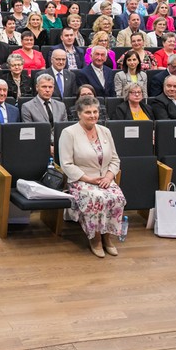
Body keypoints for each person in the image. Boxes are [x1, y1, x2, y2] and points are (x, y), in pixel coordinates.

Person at [59, 96, 127, 258]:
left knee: (117, 197)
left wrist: (109, 177)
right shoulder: (69, 133)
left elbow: (115, 159)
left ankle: (107, 237)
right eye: (88, 112)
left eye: (95, 111)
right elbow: (66, 164)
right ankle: (95, 238)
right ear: (79, 114)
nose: (93, 115)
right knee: (96, 198)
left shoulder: (105, 131)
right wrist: (89, 179)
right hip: (81, 180)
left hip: (105, 179)